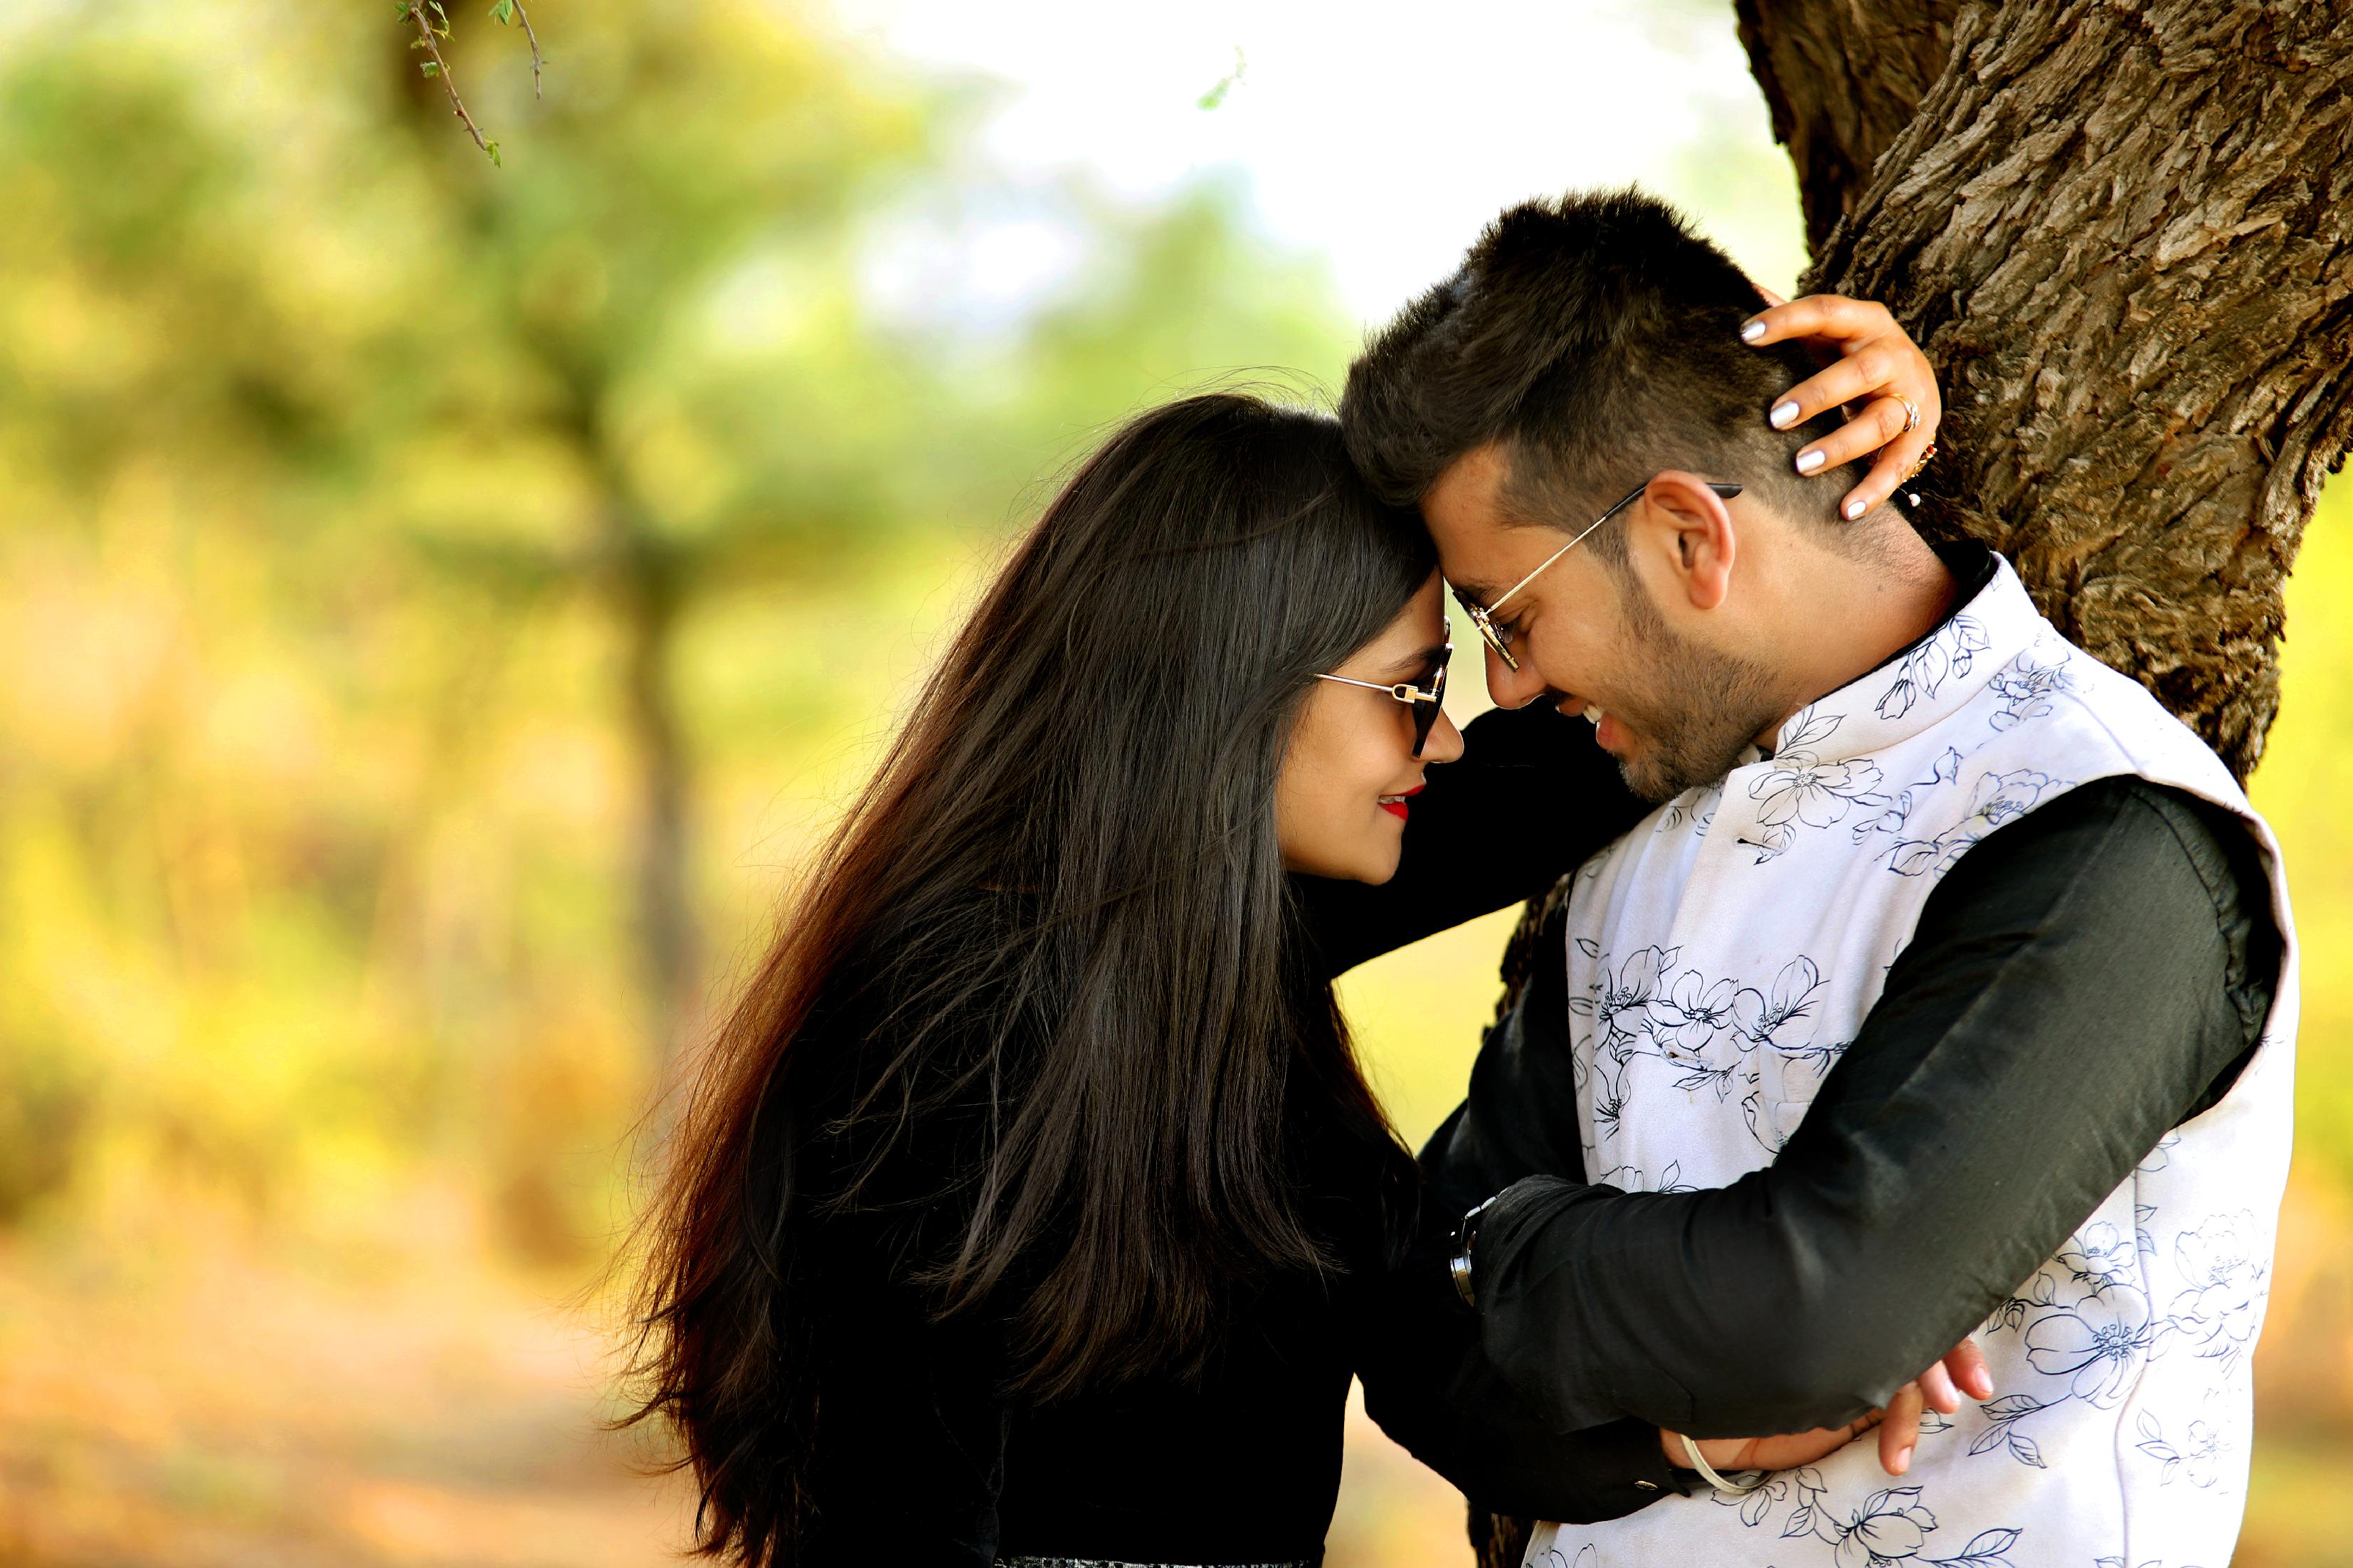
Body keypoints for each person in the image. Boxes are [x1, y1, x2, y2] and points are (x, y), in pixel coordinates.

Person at [625, 312, 1955, 1568]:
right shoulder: (939, 1021)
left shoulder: (1222, 942)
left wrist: (1823, 442)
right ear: (1239, 692)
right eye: (1411, 686)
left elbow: (1653, 691)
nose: (1449, 738)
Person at [1337, 187, 2296, 1568]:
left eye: (1512, 614)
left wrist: (1500, 1251)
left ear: (1690, 536)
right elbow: (1422, 1365)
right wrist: (1688, 1421)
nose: (1512, 683)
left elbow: (1807, 1317)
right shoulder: (1634, 821)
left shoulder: (2107, 828)